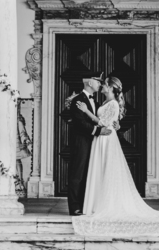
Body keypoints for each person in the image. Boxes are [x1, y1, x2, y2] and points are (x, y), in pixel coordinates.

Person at [72, 75, 159, 238]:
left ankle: (103, 205)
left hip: (105, 139)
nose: (102, 87)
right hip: (101, 139)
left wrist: (86, 112)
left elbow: (103, 123)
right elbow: (110, 122)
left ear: (111, 88)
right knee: (100, 171)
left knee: (105, 171)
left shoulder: (112, 104)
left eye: (105, 85)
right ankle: (95, 204)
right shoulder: (104, 103)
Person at [61, 75, 109, 216]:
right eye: (97, 82)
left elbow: (99, 119)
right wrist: (98, 131)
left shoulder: (98, 102)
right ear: (89, 82)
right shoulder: (78, 100)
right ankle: (75, 207)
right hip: (81, 142)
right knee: (78, 174)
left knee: (90, 173)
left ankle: (86, 205)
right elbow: (80, 123)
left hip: (94, 143)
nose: (100, 84)